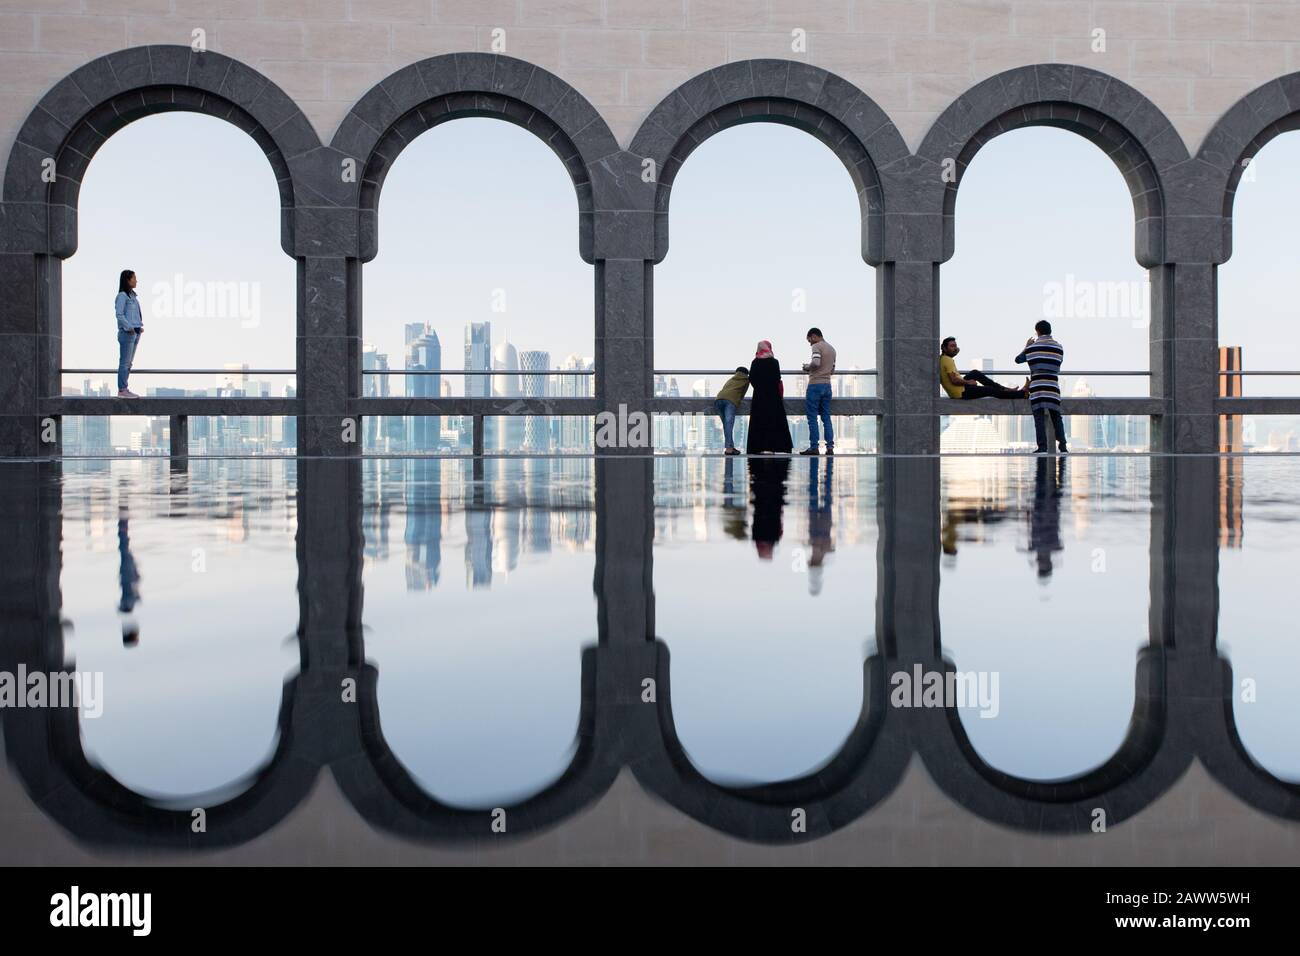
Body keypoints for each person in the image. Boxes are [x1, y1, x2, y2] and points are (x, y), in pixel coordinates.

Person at [1015, 320, 1067, 454]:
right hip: (1053, 386)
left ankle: (1042, 447)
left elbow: (1018, 360)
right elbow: (1058, 363)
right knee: (1056, 416)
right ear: (1050, 331)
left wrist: (1026, 347)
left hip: (1037, 386)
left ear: (1037, 331)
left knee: (1039, 418)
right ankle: (1063, 446)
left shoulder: (1032, 348)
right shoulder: (1059, 347)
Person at [938, 336, 1027, 400]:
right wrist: (968, 382)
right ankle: (1022, 394)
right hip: (961, 393)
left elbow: (953, 377)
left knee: (975, 373)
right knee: (991, 390)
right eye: (952, 346)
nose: (955, 348)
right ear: (944, 348)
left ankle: (1005, 389)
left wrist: (954, 351)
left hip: (958, 390)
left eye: (955, 346)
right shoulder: (948, 360)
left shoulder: (943, 358)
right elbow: (954, 380)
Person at [745, 340, 793, 455]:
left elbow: (751, 378)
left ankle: (758, 447)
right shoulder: (774, 362)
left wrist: (759, 387)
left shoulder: (755, 362)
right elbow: (777, 378)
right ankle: (776, 446)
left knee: (759, 421)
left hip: (759, 396)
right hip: (773, 396)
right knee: (774, 420)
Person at [800, 327, 836, 455]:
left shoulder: (816, 346)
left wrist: (807, 367)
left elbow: (815, 362)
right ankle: (830, 447)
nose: (810, 343)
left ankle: (814, 447)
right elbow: (832, 370)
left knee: (812, 417)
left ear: (814, 336)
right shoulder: (832, 349)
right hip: (827, 386)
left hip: (815, 385)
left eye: (809, 340)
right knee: (826, 417)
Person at [114, 269, 143, 398]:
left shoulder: (133, 296)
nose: (136, 280)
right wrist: (130, 327)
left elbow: (134, 315)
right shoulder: (122, 296)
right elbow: (119, 315)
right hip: (127, 333)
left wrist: (138, 327)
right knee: (124, 362)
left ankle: (124, 388)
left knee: (129, 363)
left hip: (135, 332)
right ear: (127, 280)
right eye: (134, 278)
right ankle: (122, 390)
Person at [714, 365, 749, 455]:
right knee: (728, 425)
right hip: (730, 401)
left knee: (726, 426)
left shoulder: (730, 379)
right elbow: (742, 394)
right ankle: (729, 449)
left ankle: (730, 447)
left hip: (718, 399)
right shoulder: (746, 380)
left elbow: (724, 388)